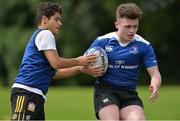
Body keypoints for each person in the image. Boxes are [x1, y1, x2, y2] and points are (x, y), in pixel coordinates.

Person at [10, 2, 100, 120]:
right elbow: (56, 63)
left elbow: (55, 73)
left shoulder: (43, 36)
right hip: (26, 93)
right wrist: (79, 61)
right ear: (44, 19)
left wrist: (80, 69)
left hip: (35, 96)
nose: (60, 23)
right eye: (56, 19)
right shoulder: (45, 34)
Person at [87, 2, 162, 120]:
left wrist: (155, 84)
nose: (132, 31)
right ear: (117, 24)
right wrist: (89, 70)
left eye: (135, 26)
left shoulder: (144, 45)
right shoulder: (102, 42)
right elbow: (82, 65)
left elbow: (155, 74)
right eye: (127, 26)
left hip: (129, 93)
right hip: (106, 91)